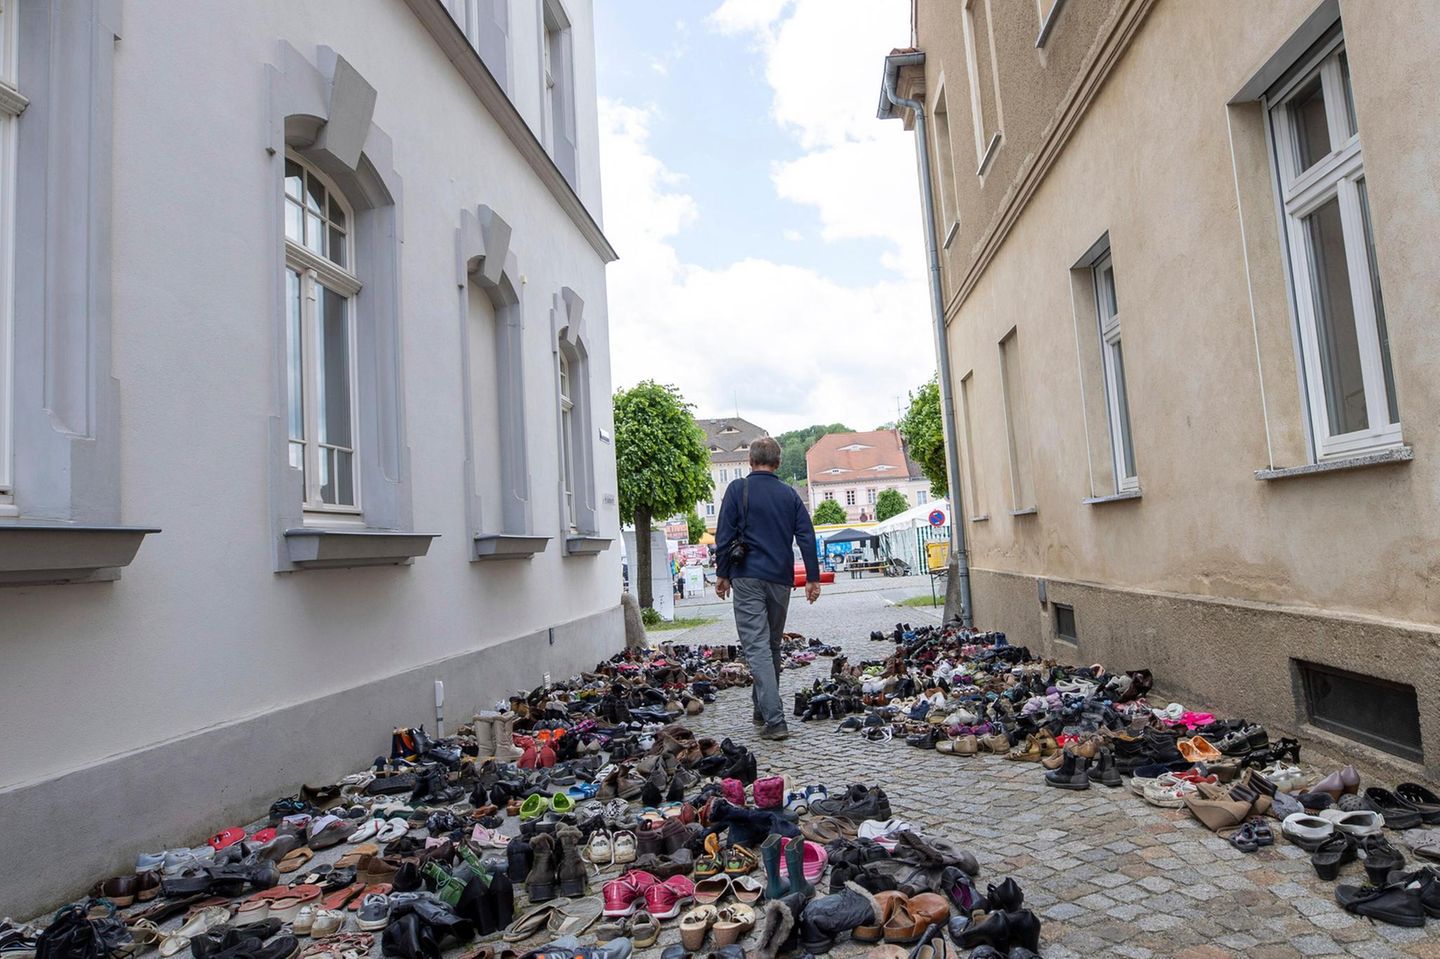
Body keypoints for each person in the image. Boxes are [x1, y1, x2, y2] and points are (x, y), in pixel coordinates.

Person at [714, 435, 821, 741]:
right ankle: (761, 710)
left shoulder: (737, 489)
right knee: (770, 645)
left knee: (758, 647)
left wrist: (722, 573)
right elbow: (806, 537)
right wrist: (812, 578)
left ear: (750, 461)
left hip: (746, 576)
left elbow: (724, 534)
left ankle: (775, 720)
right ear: (778, 463)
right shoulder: (789, 495)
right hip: (780, 578)